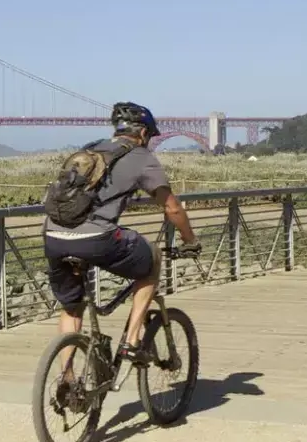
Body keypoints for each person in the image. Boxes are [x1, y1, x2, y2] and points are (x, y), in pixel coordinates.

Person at [42, 102, 202, 361]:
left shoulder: (90, 149)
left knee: (72, 307)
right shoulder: (142, 157)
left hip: (54, 236)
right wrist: (190, 240)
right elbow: (172, 208)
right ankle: (132, 341)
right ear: (142, 133)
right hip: (96, 239)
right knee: (152, 260)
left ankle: (67, 381)